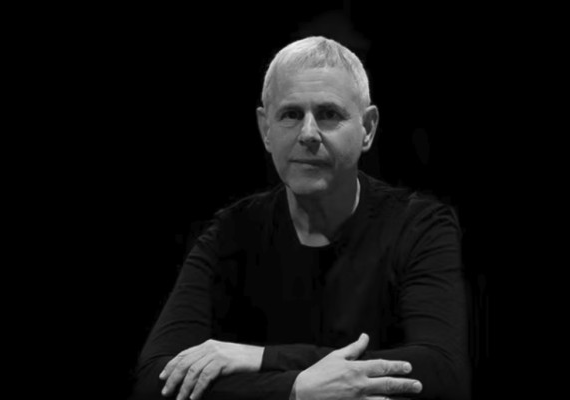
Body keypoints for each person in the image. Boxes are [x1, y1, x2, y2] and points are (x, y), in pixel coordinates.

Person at [130, 36, 471, 400]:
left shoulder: (419, 226)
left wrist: (262, 358)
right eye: (291, 115)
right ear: (266, 129)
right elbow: (154, 380)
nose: (308, 134)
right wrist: (295, 389)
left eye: (329, 114)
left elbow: (442, 372)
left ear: (368, 128)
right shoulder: (232, 232)